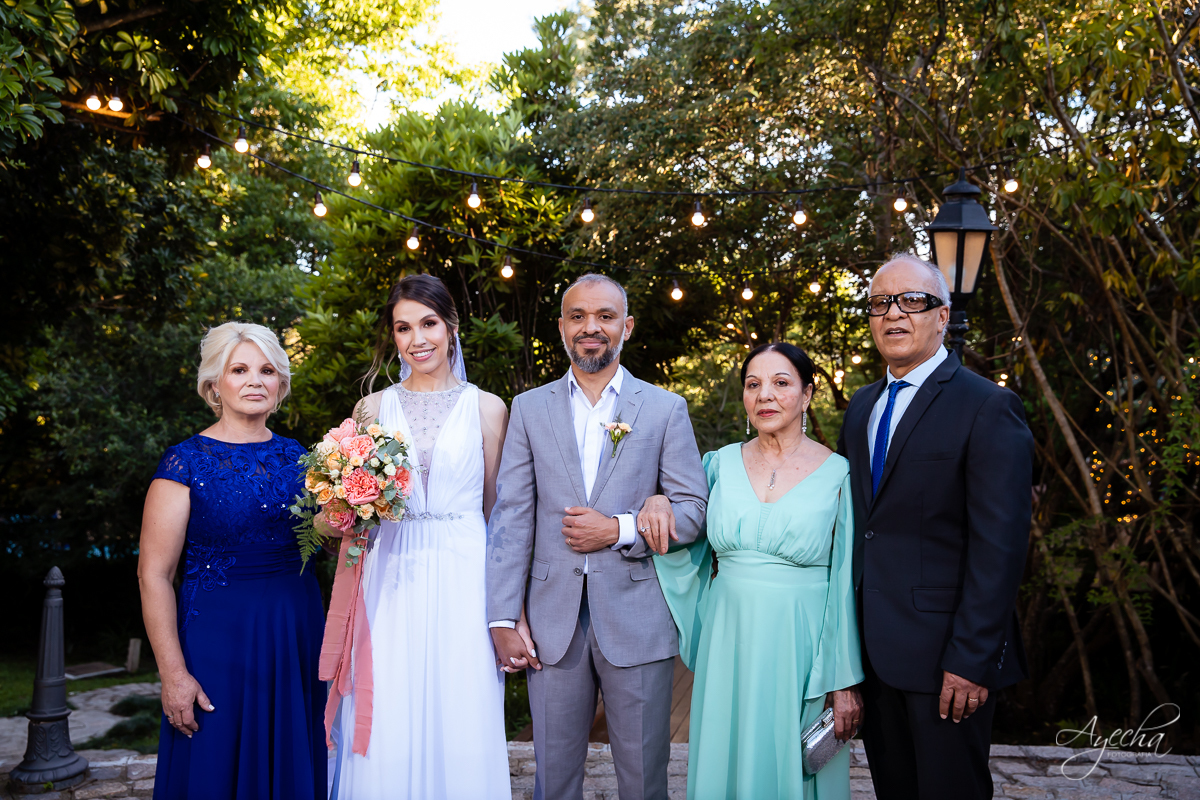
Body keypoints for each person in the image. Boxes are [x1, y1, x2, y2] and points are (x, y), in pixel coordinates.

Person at [486, 273, 709, 800]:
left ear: (626, 327)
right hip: (550, 626)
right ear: (562, 327)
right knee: (553, 781)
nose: (592, 328)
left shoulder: (663, 409)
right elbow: (512, 516)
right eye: (579, 317)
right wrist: (501, 616)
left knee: (643, 781)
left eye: (606, 317)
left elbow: (693, 511)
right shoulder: (529, 408)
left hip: (638, 620)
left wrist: (618, 529)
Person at [836, 254, 1034, 800]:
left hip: (948, 661)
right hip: (872, 655)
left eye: (911, 301)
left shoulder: (987, 406)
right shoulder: (862, 407)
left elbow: (1000, 547)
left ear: (942, 316)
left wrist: (970, 661)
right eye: (880, 303)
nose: (893, 314)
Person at [323, 274, 513, 799]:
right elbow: (351, 505)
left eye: (428, 323)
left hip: (465, 569)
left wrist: (508, 605)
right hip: (391, 570)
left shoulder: (489, 407)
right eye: (403, 328)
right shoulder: (372, 409)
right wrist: (345, 505)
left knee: (464, 700)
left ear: (451, 327)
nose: (417, 338)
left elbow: (498, 513)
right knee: (387, 704)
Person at [653, 342, 864, 799]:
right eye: (753, 385)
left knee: (789, 762)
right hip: (727, 639)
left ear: (807, 395)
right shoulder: (717, 465)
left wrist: (843, 680)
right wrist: (658, 503)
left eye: (781, 383)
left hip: (801, 645)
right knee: (725, 757)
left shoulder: (839, 475)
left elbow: (845, 582)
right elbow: (684, 535)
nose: (765, 395)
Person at [138, 322, 326, 799]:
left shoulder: (302, 458)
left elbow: (322, 539)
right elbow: (153, 575)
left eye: (267, 370)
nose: (254, 381)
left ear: (280, 384)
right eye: (239, 369)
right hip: (216, 646)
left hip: (295, 636)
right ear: (214, 384)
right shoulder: (185, 464)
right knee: (213, 767)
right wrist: (173, 674)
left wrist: (358, 508)